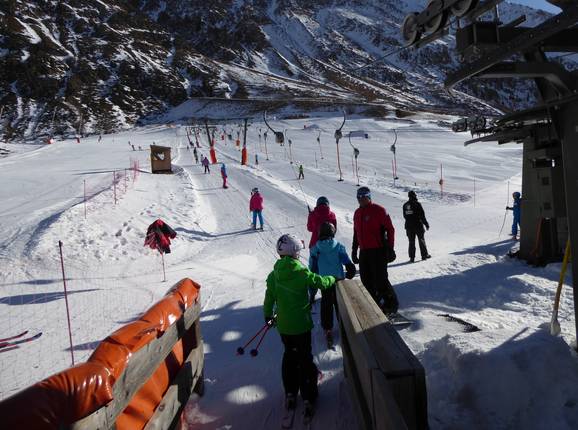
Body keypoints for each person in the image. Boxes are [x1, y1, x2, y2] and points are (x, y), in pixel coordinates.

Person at [264, 234, 336, 419]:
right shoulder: (301, 272)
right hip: (301, 326)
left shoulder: (273, 275)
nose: (298, 255)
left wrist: (268, 316)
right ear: (294, 253)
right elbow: (320, 282)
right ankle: (308, 397)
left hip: (284, 326)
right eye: (297, 252)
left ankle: (290, 392)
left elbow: (269, 298)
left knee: (289, 356)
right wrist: (332, 278)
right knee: (304, 359)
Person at [351, 186, 399, 315]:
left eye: (364, 196)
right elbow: (356, 233)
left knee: (381, 280)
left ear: (369, 197)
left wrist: (390, 248)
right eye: (359, 197)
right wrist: (354, 250)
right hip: (364, 251)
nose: (361, 199)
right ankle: (375, 305)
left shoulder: (379, 210)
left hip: (378, 250)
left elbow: (390, 229)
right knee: (366, 280)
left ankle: (392, 306)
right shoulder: (357, 213)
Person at [309, 222, 356, 346]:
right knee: (340, 302)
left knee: (326, 303)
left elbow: (312, 268)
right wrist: (350, 267)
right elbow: (346, 260)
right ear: (332, 232)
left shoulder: (315, 249)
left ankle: (327, 328)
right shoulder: (338, 246)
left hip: (324, 282)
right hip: (338, 280)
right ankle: (344, 324)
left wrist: (312, 288)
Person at [307, 196, 337, 304]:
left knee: (313, 271)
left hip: (315, 245)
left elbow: (310, 228)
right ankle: (328, 292)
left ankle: (312, 294)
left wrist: (311, 216)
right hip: (329, 246)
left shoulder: (313, 214)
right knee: (327, 269)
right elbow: (334, 230)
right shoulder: (332, 215)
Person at [403, 191, 431, 262]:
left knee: (411, 242)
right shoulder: (417, 204)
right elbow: (422, 216)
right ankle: (424, 255)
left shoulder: (405, 205)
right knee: (421, 240)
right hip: (418, 225)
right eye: (415, 195)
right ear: (414, 196)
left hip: (409, 226)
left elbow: (405, 216)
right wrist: (426, 224)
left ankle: (412, 258)